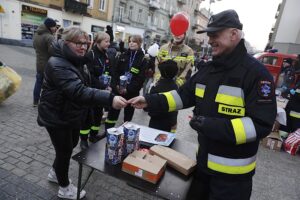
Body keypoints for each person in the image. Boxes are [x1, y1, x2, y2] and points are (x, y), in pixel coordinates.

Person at [129, 10, 277, 200]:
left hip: (232, 181)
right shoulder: (208, 71)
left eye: (215, 35)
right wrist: (150, 100)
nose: (209, 40)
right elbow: (182, 96)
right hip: (202, 168)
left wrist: (212, 126)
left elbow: (261, 124)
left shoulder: (257, 75)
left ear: (234, 34)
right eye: (208, 35)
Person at [37, 27, 127, 199]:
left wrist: (104, 86)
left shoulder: (77, 60)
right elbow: (78, 91)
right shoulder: (57, 64)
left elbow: (87, 82)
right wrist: (109, 98)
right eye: (79, 43)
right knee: (64, 152)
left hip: (69, 114)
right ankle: (64, 188)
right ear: (66, 42)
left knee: (69, 146)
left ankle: (55, 173)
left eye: (86, 43)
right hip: (56, 116)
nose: (83, 47)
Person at [104, 35, 147, 132]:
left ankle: (124, 133)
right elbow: (115, 72)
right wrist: (117, 86)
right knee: (112, 114)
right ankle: (108, 132)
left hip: (132, 93)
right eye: (130, 41)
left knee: (128, 116)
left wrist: (129, 89)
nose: (131, 43)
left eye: (134, 41)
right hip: (118, 91)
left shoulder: (143, 59)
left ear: (139, 44)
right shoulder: (122, 55)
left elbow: (140, 79)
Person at [79, 32, 112, 149]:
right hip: (90, 91)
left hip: (101, 92)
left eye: (109, 41)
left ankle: (93, 135)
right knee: (87, 116)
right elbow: (88, 75)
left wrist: (108, 84)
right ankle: (83, 140)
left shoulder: (106, 55)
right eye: (106, 41)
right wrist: (101, 85)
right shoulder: (90, 55)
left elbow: (107, 72)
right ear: (98, 42)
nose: (109, 43)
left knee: (98, 115)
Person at [148, 60, 178, 132]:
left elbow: (149, 103)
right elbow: (175, 109)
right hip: (168, 122)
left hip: (154, 120)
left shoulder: (156, 86)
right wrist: (174, 122)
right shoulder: (175, 87)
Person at [32, 18, 57, 106]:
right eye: (54, 26)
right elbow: (53, 51)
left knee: (38, 82)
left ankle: (35, 101)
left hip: (39, 63)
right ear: (50, 27)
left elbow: (34, 46)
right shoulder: (49, 37)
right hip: (48, 65)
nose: (55, 28)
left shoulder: (36, 34)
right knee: (48, 85)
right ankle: (45, 102)